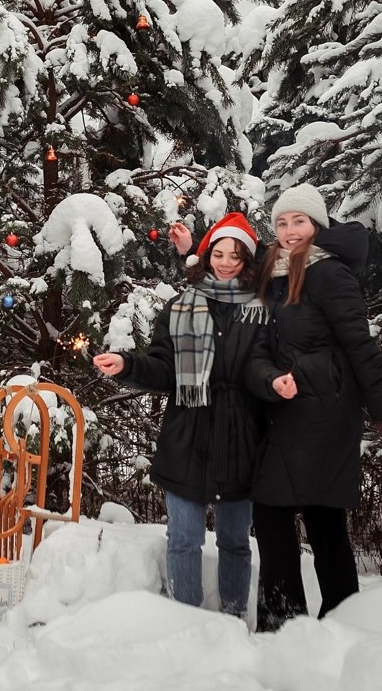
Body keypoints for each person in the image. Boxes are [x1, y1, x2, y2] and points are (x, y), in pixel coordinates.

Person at [94, 213, 268, 618]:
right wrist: (129, 365)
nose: (225, 263)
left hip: (241, 438)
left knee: (235, 542)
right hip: (187, 437)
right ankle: (185, 621)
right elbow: (164, 368)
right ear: (206, 257)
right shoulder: (179, 307)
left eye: (236, 256)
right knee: (184, 540)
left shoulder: (261, 310)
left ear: (248, 260)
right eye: (219, 254)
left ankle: (232, 616)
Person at [246, 183, 382, 632]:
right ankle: (306, 623)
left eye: (299, 221)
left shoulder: (329, 273)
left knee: (300, 514)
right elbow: (233, 262)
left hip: (326, 413)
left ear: (317, 225)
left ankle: (306, 624)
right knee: (312, 516)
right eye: (282, 222)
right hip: (289, 407)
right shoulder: (274, 270)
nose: (290, 231)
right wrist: (192, 253)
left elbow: (359, 342)